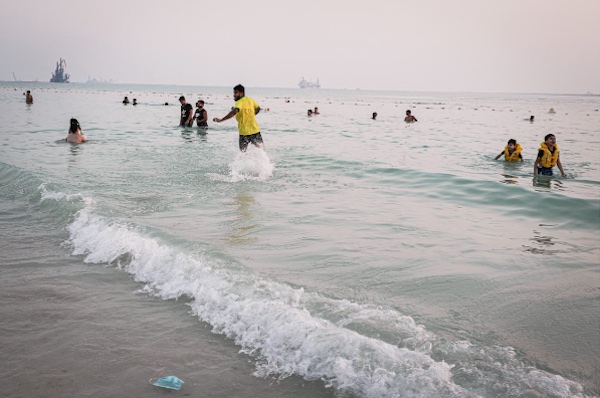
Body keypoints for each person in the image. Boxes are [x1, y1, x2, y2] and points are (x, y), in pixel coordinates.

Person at [213, 84, 264, 151]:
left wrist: (221, 120)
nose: (234, 95)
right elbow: (258, 108)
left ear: (241, 93)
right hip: (255, 130)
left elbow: (234, 111)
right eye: (234, 93)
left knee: (243, 153)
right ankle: (265, 161)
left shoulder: (239, 102)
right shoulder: (250, 100)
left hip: (244, 133)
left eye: (236, 93)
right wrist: (251, 115)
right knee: (261, 150)